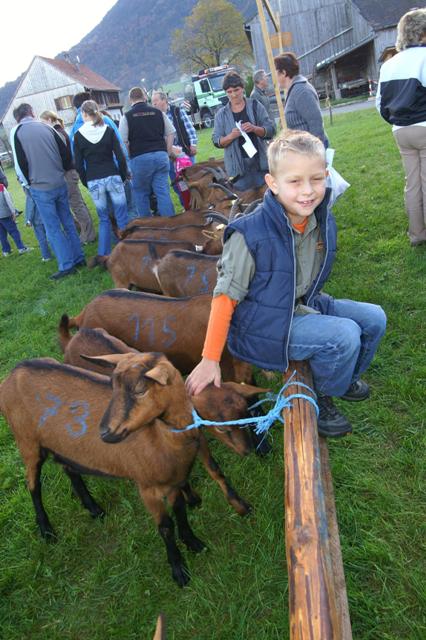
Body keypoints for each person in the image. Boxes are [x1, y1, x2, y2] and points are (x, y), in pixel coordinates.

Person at [186, 130, 386, 438]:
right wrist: (210, 359)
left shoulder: (320, 218)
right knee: (344, 335)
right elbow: (225, 297)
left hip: (299, 303)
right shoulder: (250, 234)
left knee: (374, 318)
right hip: (262, 325)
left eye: (316, 179)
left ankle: (342, 379)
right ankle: (322, 397)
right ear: (273, 183)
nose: (308, 191)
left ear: (326, 176)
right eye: (295, 181)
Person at [11, 103, 85, 280]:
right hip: (59, 182)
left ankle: (67, 265)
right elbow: (66, 154)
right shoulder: (48, 128)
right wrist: (61, 172)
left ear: (17, 117)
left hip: (40, 187)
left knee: (53, 228)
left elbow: (20, 162)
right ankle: (79, 257)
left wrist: (28, 183)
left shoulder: (17, 132)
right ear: (32, 112)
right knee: (67, 221)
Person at [376, 8, 426, 247]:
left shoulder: (389, 64)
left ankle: (416, 234)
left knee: (412, 182)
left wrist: (397, 121)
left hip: (400, 131)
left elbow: (380, 104)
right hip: (424, 126)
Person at [73, 100, 129, 257]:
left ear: (84, 114)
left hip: (94, 179)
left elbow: (78, 165)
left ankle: (104, 254)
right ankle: (127, 251)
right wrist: (122, 176)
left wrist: (86, 181)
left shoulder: (78, 136)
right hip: (113, 175)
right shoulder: (108, 130)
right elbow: (120, 157)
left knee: (104, 219)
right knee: (121, 216)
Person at [39, 110, 96, 244]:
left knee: (77, 205)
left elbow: (64, 157)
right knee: (78, 203)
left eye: (43, 122)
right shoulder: (60, 132)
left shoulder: (58, 133)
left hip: (67, 173)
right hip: (69, 172)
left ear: (49, 120)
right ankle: (86, 231)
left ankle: (88, 235)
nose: (42, 125)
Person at [212, 71, 275, 191]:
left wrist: (254, 128)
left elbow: (271, 130)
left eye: (236, 90)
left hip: (261, 166)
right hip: (239, 172)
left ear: (243, 88)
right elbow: (216, 141)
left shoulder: (255, 105)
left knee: (268, 198)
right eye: (229, 92)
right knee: (245, 202)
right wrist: (231, 136)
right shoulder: (221, 115)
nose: (234, 94)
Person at [119, 86, 176, 217]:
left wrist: (130, 155)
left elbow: (124, 142)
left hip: (139, 159)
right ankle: (171, 223)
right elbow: (171, 132)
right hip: (161, 156)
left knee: (141, 194)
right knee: (163, 192)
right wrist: (167, 151)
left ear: (130, 100)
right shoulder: (158, 113)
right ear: (145, 97)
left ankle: (148, 225)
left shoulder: (126, 117)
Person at [152, 90, 197, 207]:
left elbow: (189, 128)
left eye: (156, 101)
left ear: (164, 100)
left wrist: (193, 144)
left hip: (185, 153)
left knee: (192, 181)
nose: (154, 104)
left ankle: (199, 205)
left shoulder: (177, 111)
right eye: (152, 102)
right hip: (170, 157)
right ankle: (187, 207)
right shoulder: (154, 117)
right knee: (177, 185)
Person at [274, 53, 328, 147]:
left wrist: (315, 152)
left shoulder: (301, 91)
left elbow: (316, 123)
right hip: (302, 150)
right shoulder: (294, 89)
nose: (275, 78)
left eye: (276, 73)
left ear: (284, 73)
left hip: (311, 150)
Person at [0, 182, 32, 257]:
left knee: (2, 234)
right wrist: (13, 212)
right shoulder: (1, 187)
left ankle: (6, 251)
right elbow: (9, 200)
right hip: (5, 214)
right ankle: (21, 248)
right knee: (14, 231)